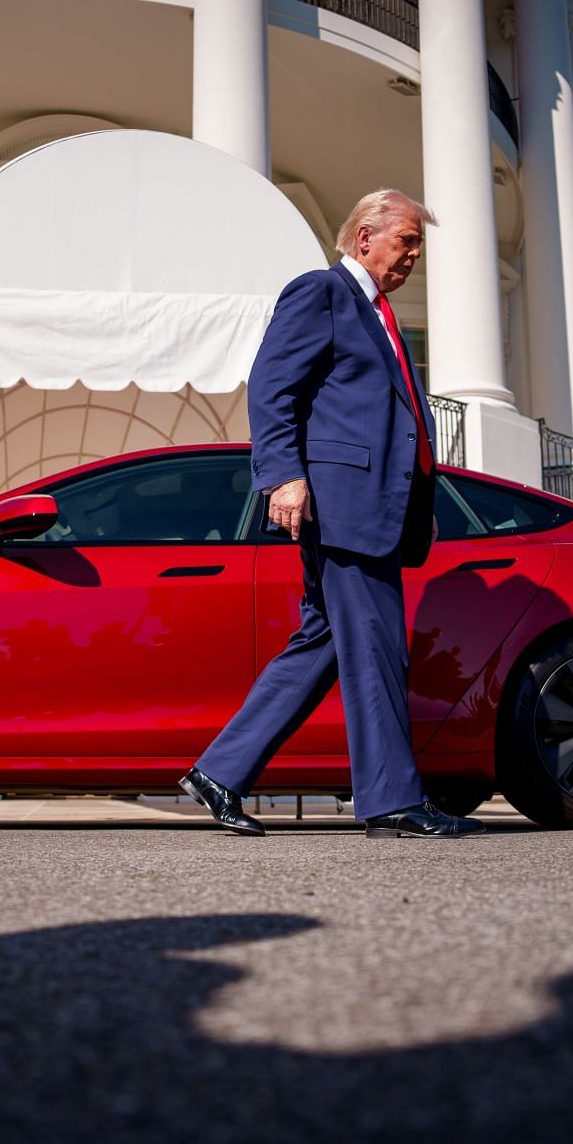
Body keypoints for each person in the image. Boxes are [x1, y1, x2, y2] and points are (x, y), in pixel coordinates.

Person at [180, 189, 483, 839]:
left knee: (322, 646)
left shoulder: (379, 315)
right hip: (340, 505)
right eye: (407, 241)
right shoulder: (322, 291)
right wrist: (283, 475)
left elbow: (395, 421)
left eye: (417, 246)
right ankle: (392, 802)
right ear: (366, 235)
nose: (413, 257)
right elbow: (271, 383)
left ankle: (220, 771)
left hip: (374, 508)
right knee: (375, 651)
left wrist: (417, 502)